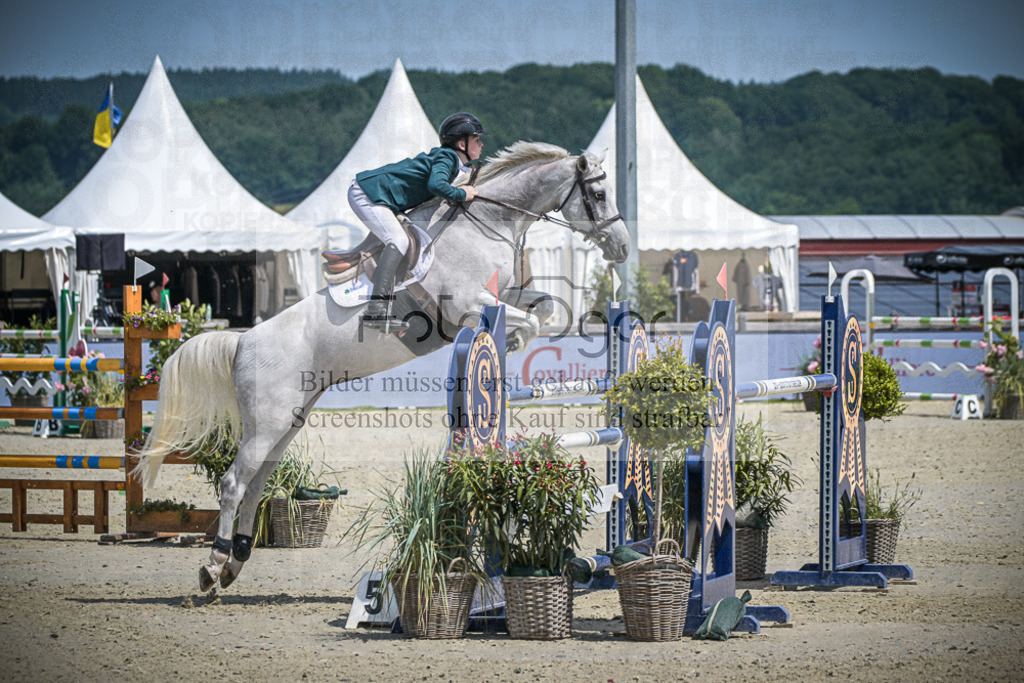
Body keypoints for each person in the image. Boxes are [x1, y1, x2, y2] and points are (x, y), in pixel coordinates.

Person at [348, 112, 488, 329]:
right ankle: (376, 310)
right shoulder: (448, 158)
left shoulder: (449, 160)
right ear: (462, 144)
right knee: (399, 240)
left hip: (379, 196)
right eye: (476, 139)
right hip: (367, 193)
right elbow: (436, 185)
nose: (481, 144)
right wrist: (462, 194)